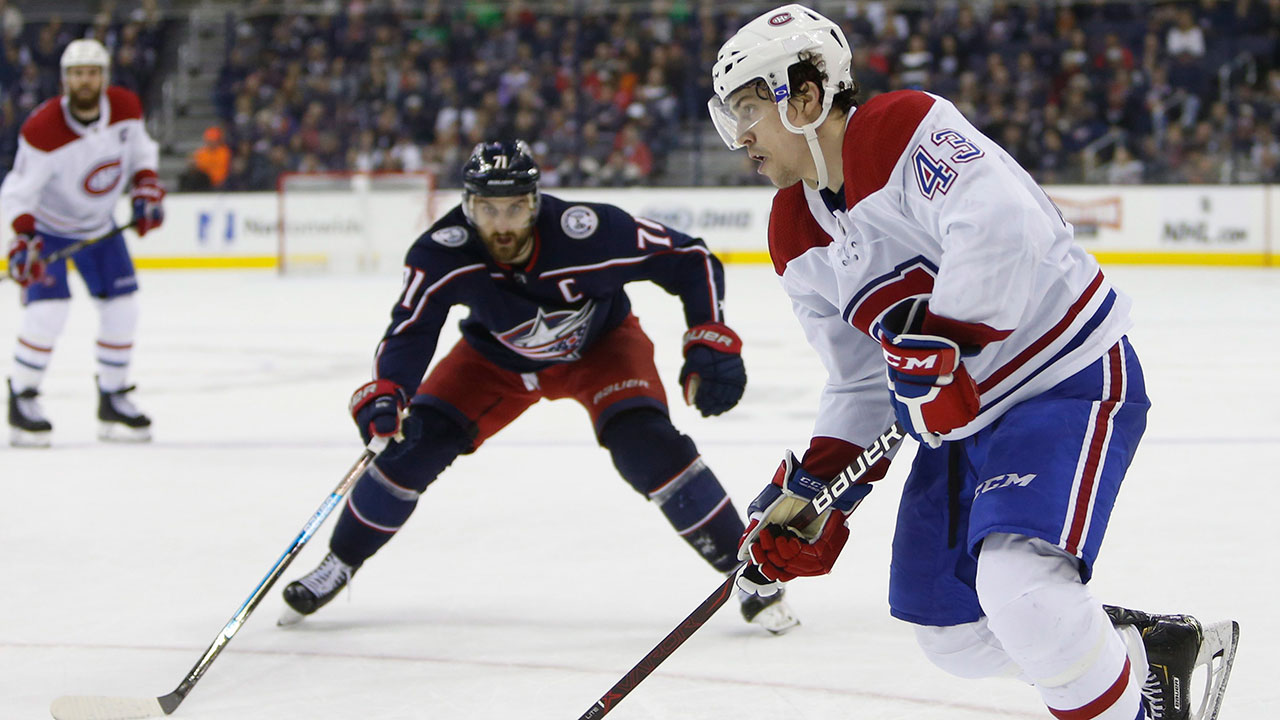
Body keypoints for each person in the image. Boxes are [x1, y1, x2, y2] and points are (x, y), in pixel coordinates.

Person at [710, 5, 1238, 720]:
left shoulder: (899, 127)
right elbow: (862, 380)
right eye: (729, 114)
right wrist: (817, 492)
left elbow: (1000, 222)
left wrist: (951, 337)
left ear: (804, 98)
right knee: (951, 632)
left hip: (1061, 379)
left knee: (1022, 590)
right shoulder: (793, 231)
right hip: (960, 426)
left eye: (749, 108)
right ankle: (1146, 654)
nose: (740, 136)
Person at [279, 140, 798, 634]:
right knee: (410, 448)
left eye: (514, 208)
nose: (501, 224)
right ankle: (339, 562)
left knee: (649, 448)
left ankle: (747, 574)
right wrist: (390, 388)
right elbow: (411, 328)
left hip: (602, 350)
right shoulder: (442, 250)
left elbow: (691, 259)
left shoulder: (588, 232)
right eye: (487, 210)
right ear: (467, 207)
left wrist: (708, 337)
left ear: (536, 203)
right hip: (494, 360)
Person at [3, 38, 164, 447]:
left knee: (123, 308)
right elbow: (18, 192)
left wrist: (146, 188)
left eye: (91, 72)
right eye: (77, 74)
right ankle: (22, 398)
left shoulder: (126, 107)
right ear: (64, 80)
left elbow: (143, 152)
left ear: (104, 76)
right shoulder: (42, 130)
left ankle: (113, 397)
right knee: (49, 311)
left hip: (99, 226)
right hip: (49, 228)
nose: (85, 81)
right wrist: (22, 240)